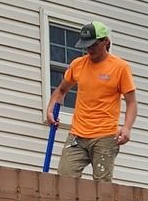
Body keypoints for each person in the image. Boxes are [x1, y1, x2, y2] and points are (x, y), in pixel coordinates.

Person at [44, 21, 138, 181]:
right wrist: (50, 108)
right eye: (86, 46)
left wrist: (127, 128)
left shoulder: (120, 67)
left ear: (105, 42)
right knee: (64, 179)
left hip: (105, 136)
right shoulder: (78, 65)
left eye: (93, 45)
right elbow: (61, 90)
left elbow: (131, 102)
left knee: (102, 187)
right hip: (77, 135)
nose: (89, 49)